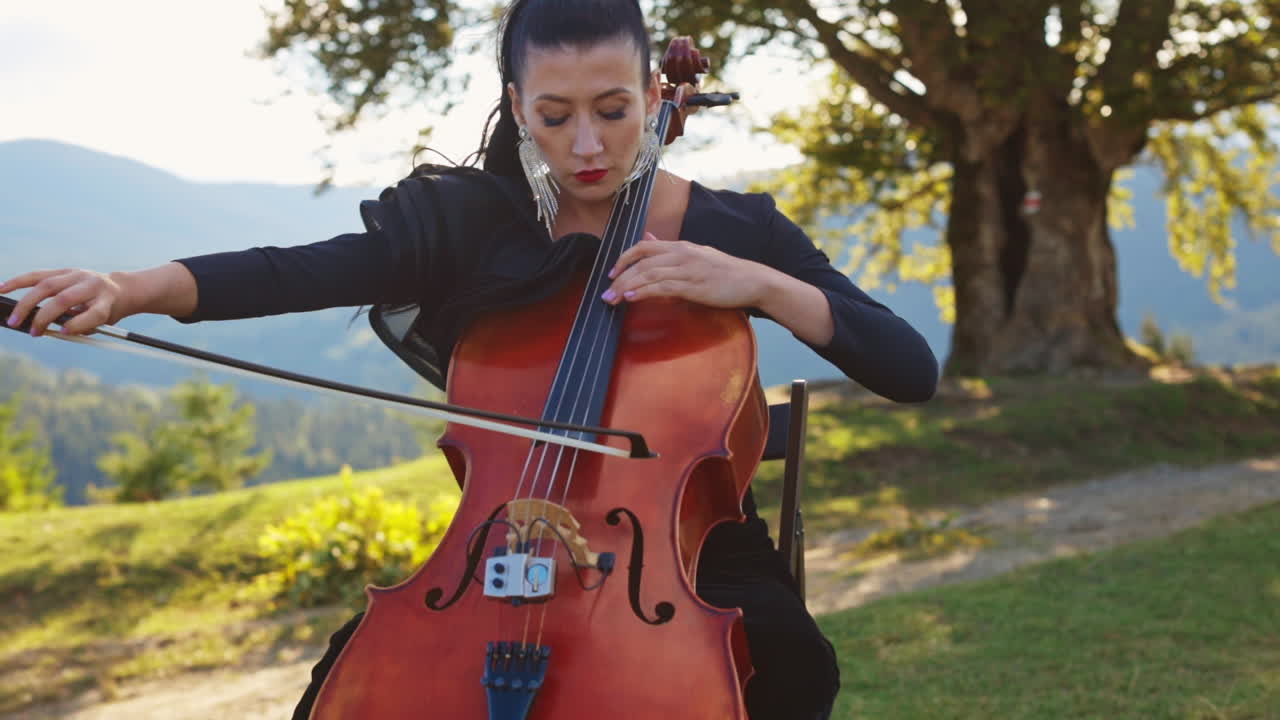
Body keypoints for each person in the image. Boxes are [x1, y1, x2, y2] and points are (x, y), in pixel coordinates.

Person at [2, 0, 937, 716]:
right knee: (352, 686)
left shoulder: (736, 229)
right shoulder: (471, 221)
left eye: (614, 111)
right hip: (501, 547)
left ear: (657, 98)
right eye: (555, 114)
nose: (586, 145)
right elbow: (293, 271)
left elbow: (907, 368)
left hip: (694, 562)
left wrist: (759, 284)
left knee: (787, 662)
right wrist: (127, 289)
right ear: (516, 106)